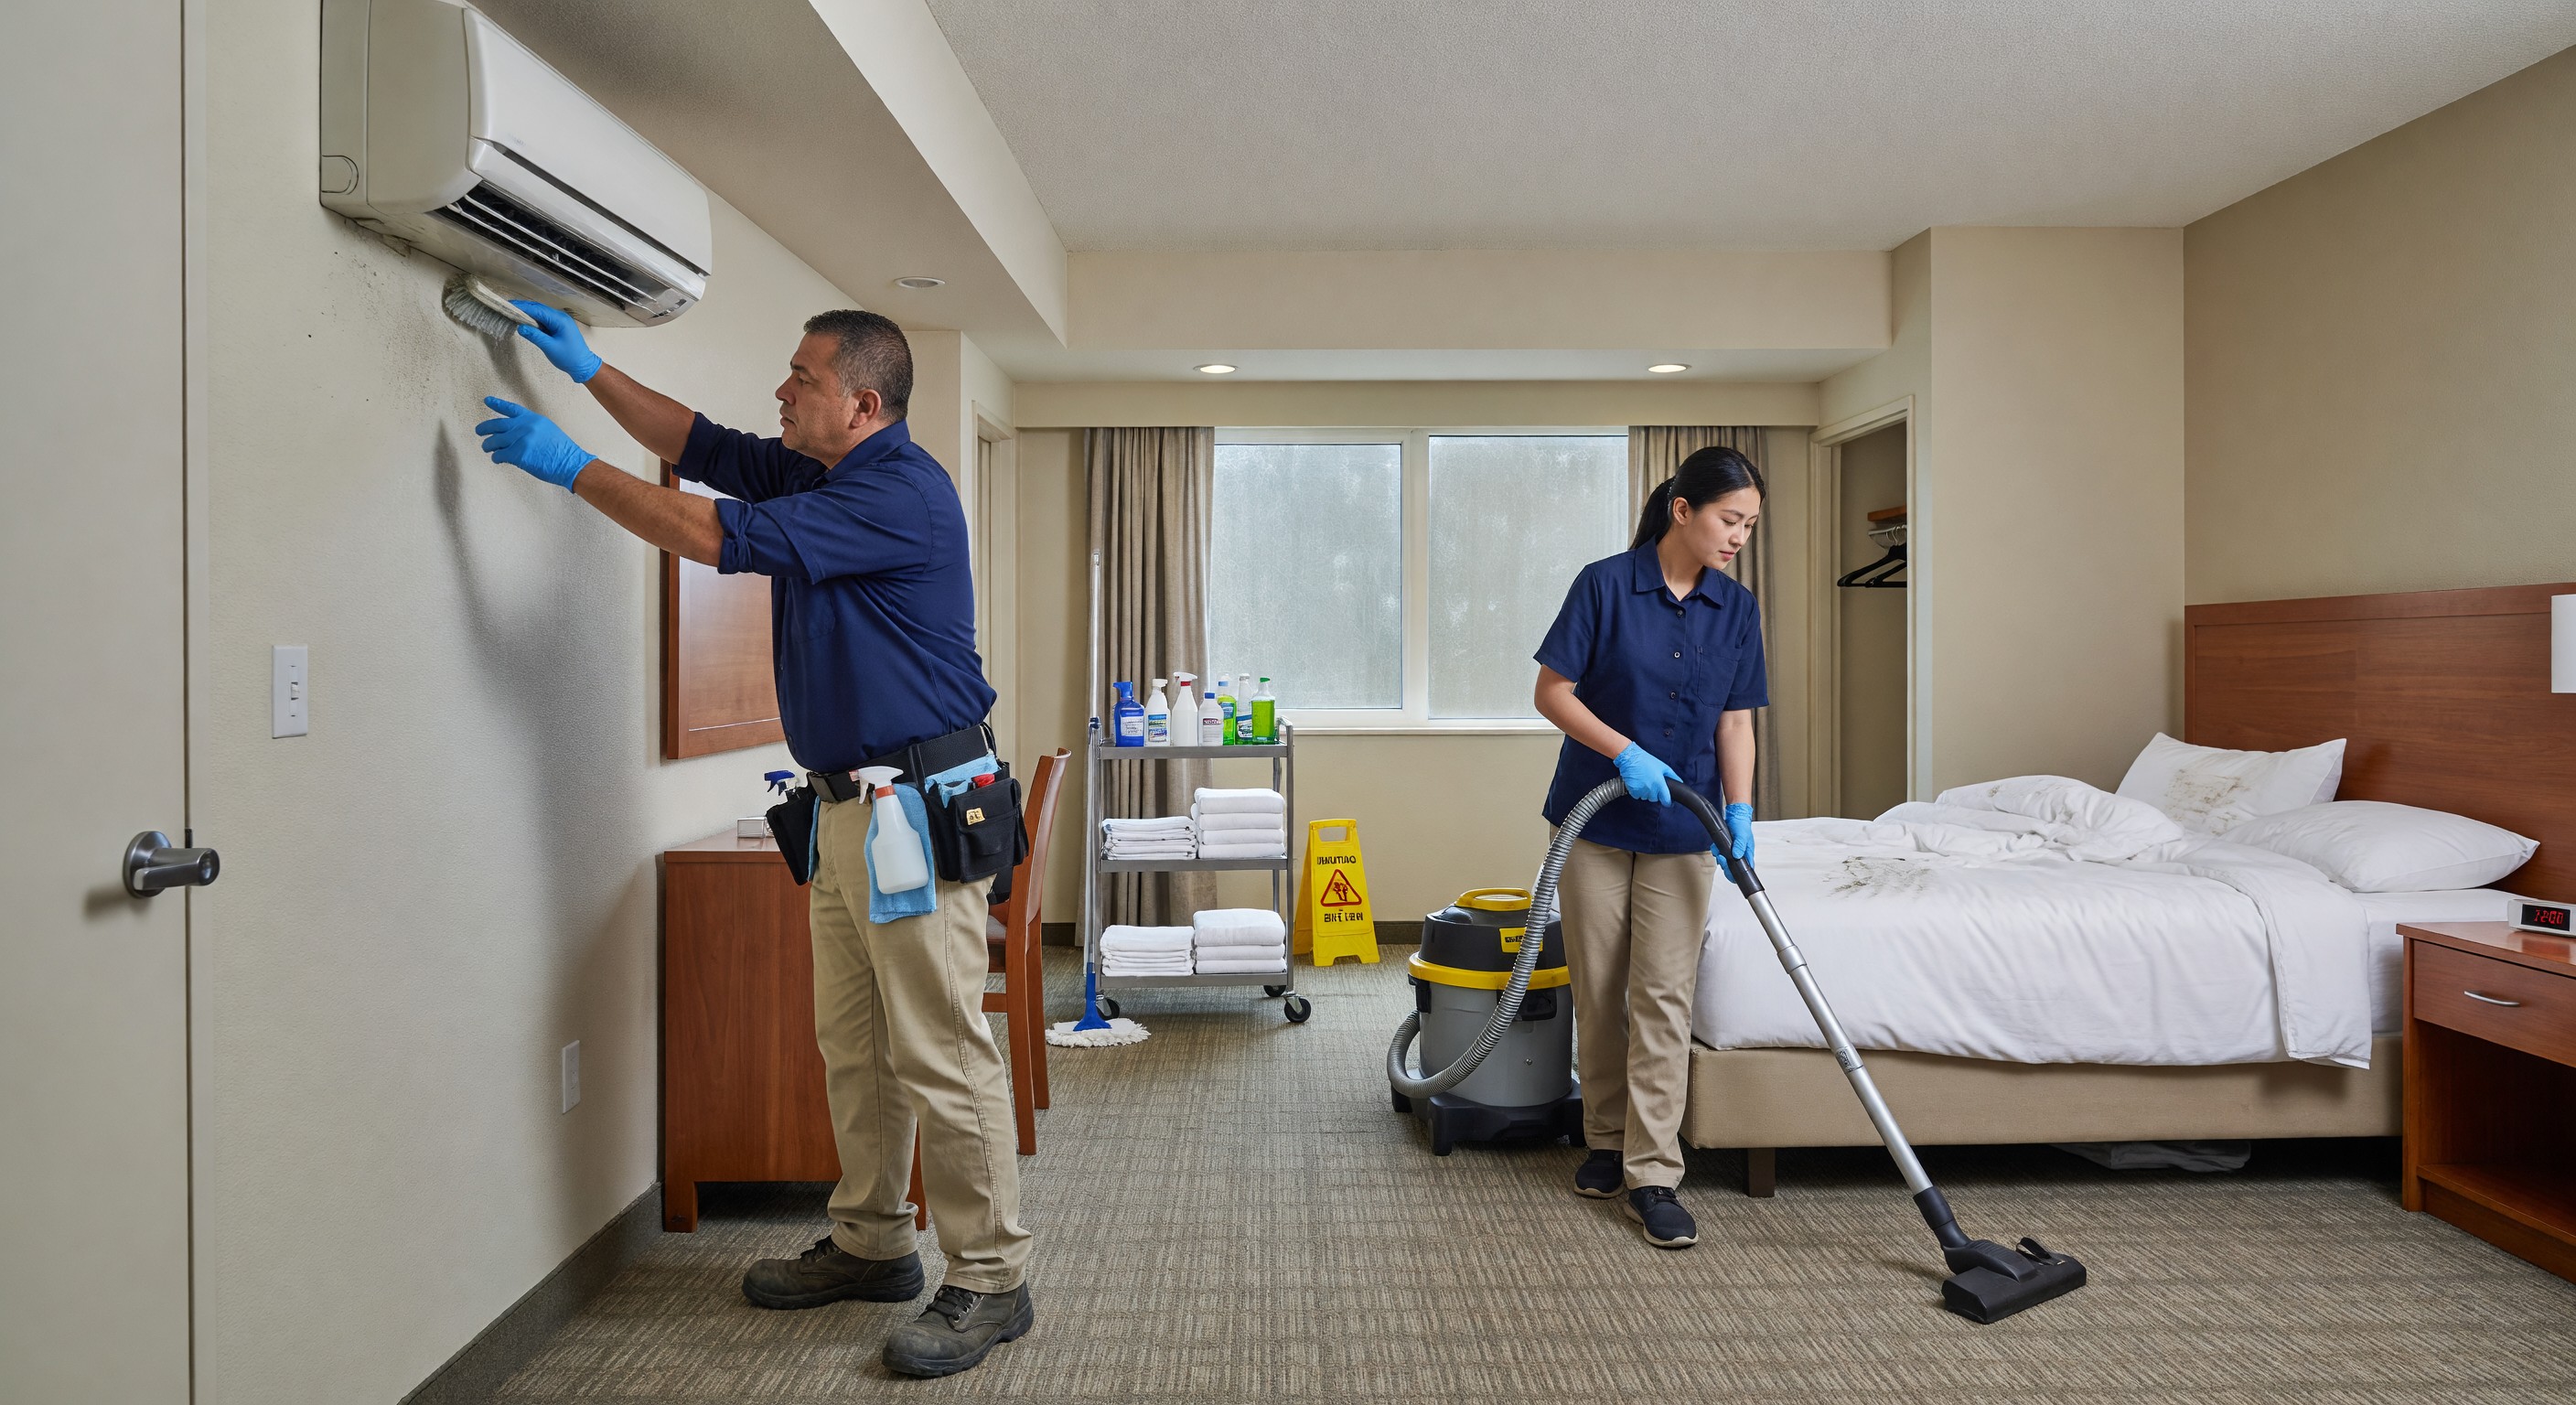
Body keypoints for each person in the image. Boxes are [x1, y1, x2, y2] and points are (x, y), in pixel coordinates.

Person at [473, 303, 1035, 1378]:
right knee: (854, 1042)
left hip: (916, 812)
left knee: (941, 1048)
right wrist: (592, 370)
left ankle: (992, 1278)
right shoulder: (818, 475)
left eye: (801, 378)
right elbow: (701, 450)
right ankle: (875, 1242)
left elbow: (709, 533)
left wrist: (568, 468)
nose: (781, 393)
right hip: (844, 811)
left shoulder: (900, 495)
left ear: (861, 405)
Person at [1530, 445, 1767, 1250]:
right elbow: (1551, 692)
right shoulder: (1605, 585)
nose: (1738, 537)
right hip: (1594, 821)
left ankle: (1654, 1172)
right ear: (1683, 510)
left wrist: (1740, 808)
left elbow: (1736, 720)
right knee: (1600, 989)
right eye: (1730, 520)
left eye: (1749, 526)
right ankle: (1603, 1138)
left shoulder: (1736, 609)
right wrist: (1622, 750)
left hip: (1682, 828)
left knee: (1663, 995)